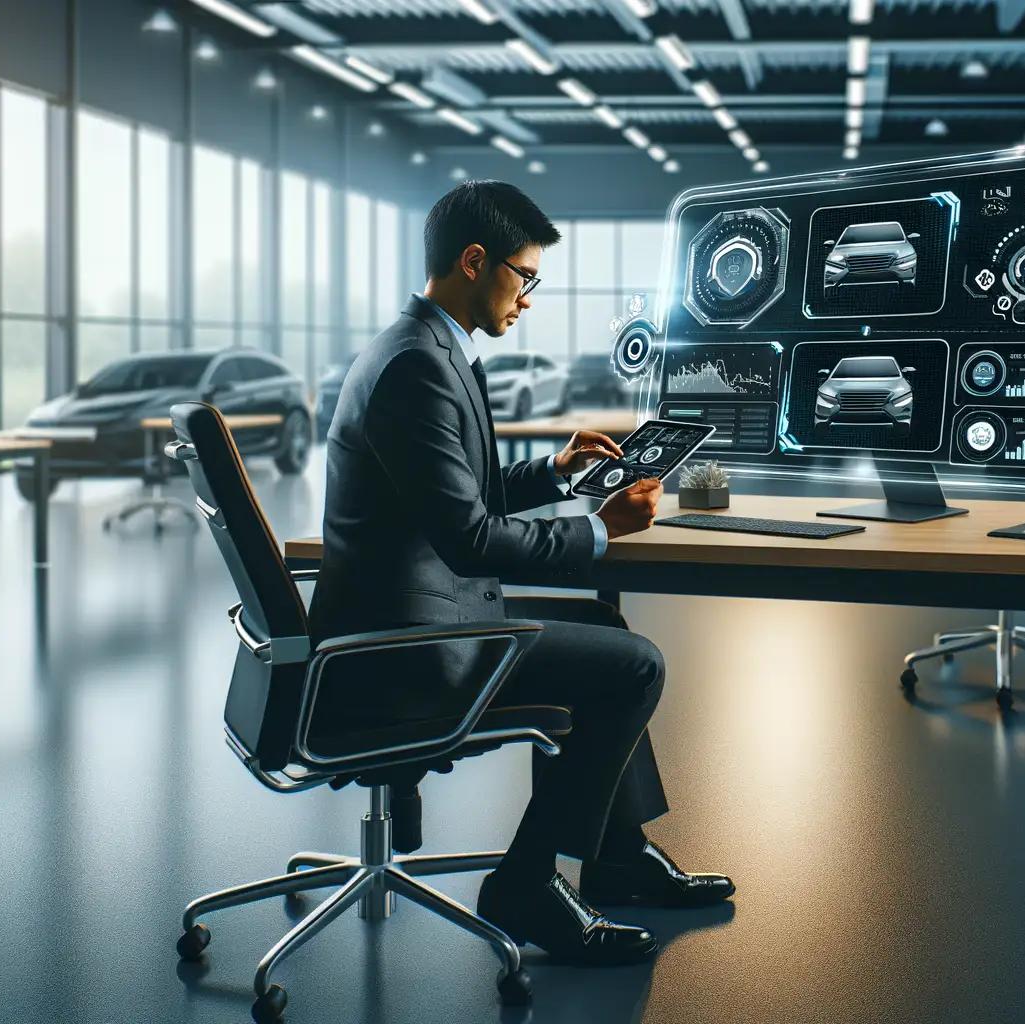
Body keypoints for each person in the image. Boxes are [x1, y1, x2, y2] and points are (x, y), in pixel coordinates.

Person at [308, 180, 732, 967]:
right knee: (636, 666)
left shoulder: (422, 347)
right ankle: (527, 883)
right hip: (409, 645)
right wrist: (596, 532)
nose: (530, 297)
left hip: (413, 610)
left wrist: (555, 472)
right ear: (476, 261)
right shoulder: (418, 366)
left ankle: (616, 856)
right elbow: (469, 538)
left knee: (604, 630)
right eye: (525, 276)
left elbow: (454, 494)